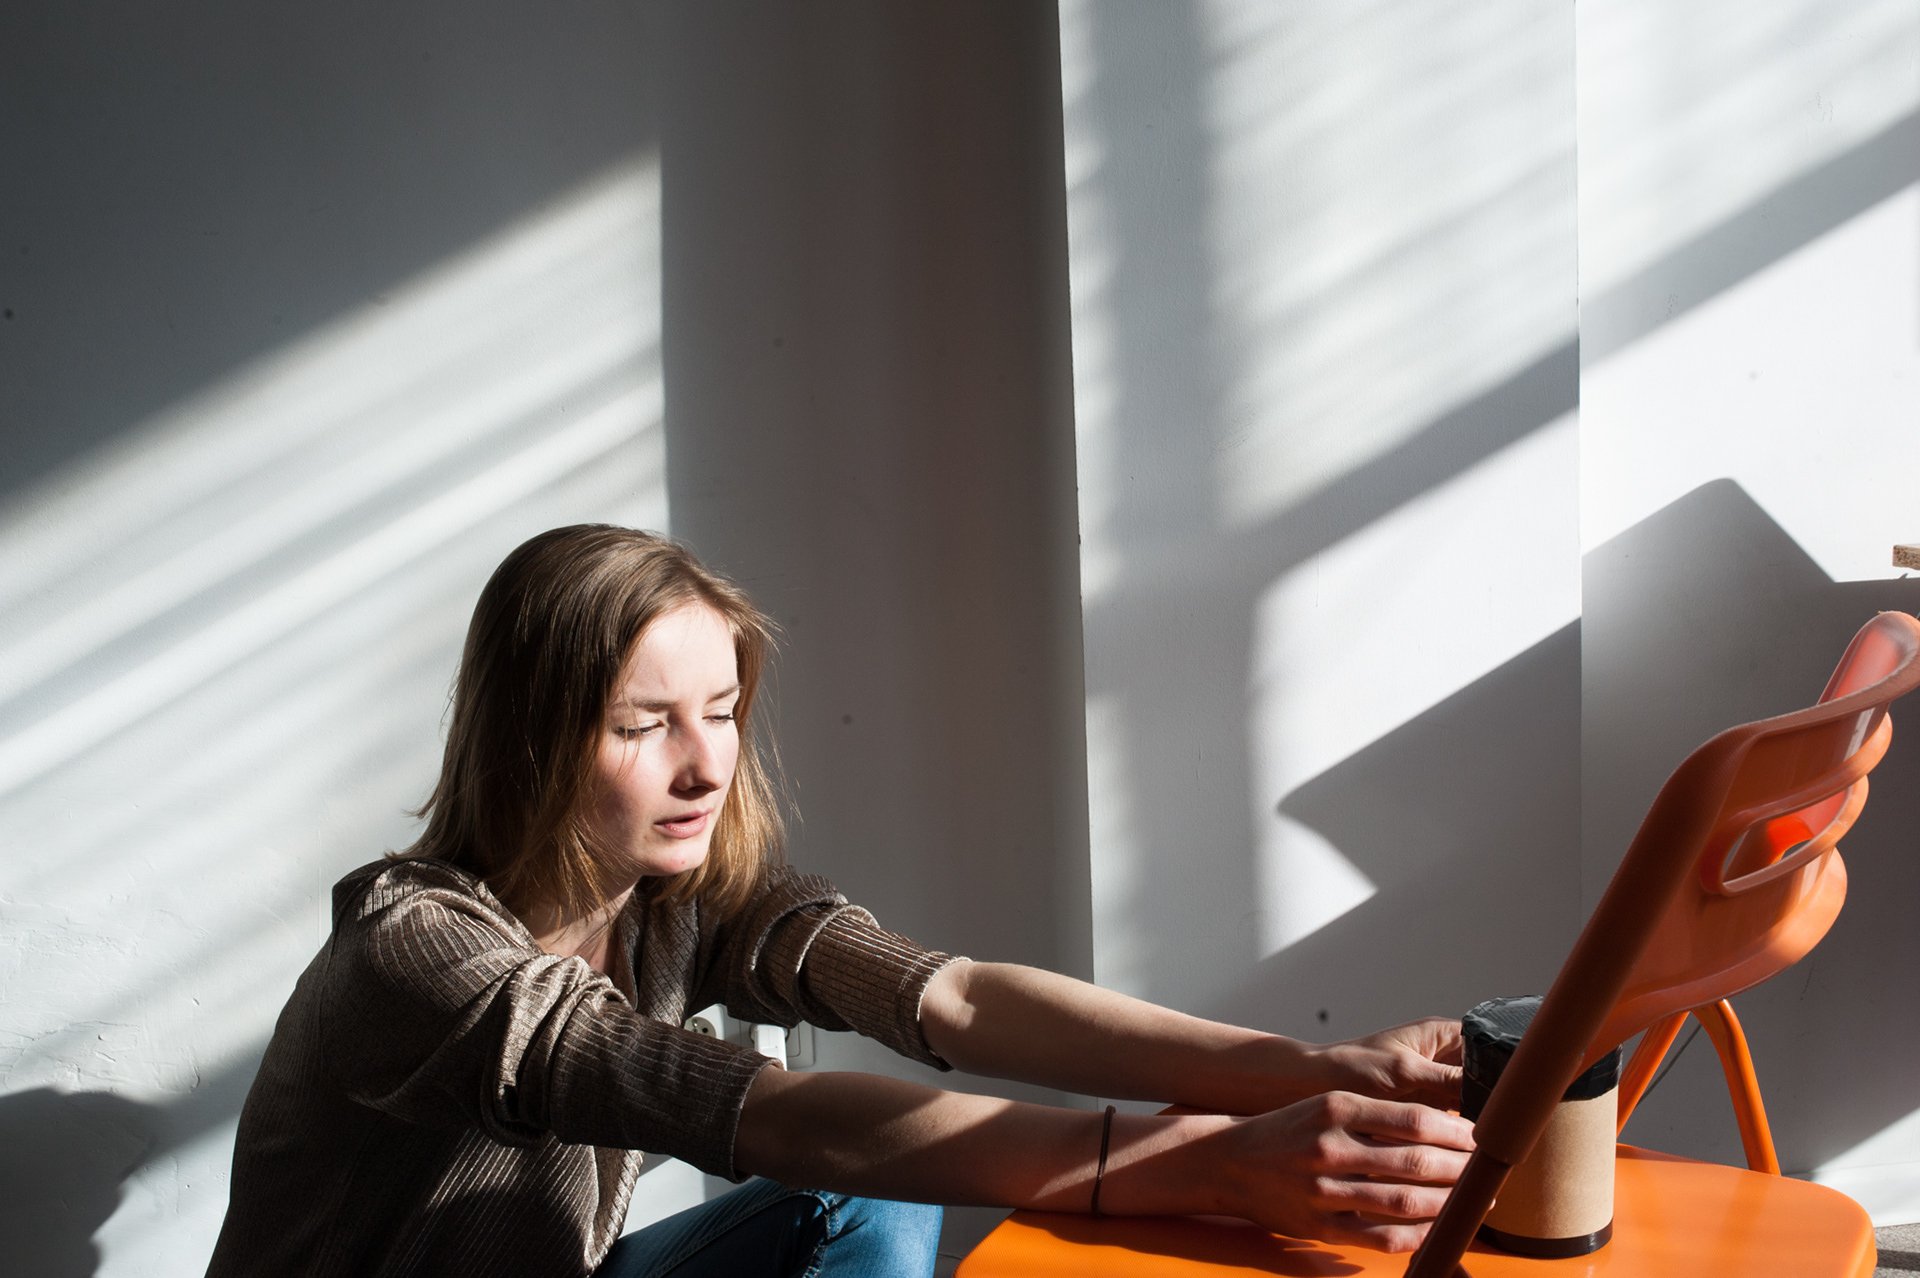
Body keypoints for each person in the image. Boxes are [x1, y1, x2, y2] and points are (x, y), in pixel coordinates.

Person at [205, 525, 1474, 1278]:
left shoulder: (672, 896)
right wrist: (1216, 1166)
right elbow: (775, 1117)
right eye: (644, 724)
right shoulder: (415, 953)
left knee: (870, 1202)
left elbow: (956, 1000)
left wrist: (1302, 1072)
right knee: (840, 1165)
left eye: (722, 712)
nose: (705, 763)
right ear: (529, 742)